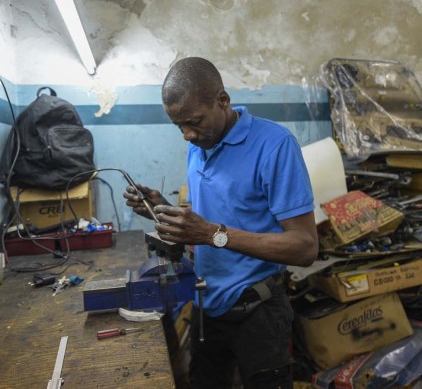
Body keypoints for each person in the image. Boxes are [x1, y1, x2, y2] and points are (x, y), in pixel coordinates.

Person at [123, 57, 318, 389]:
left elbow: (305, 247)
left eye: (194, 121)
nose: (187, 134)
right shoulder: (200, 144)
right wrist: (163, 210)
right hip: (207, 304)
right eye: (179, 125)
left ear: (223, 101)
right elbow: (213, 222)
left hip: (257, 311)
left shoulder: (275, 146)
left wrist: (210, 234)